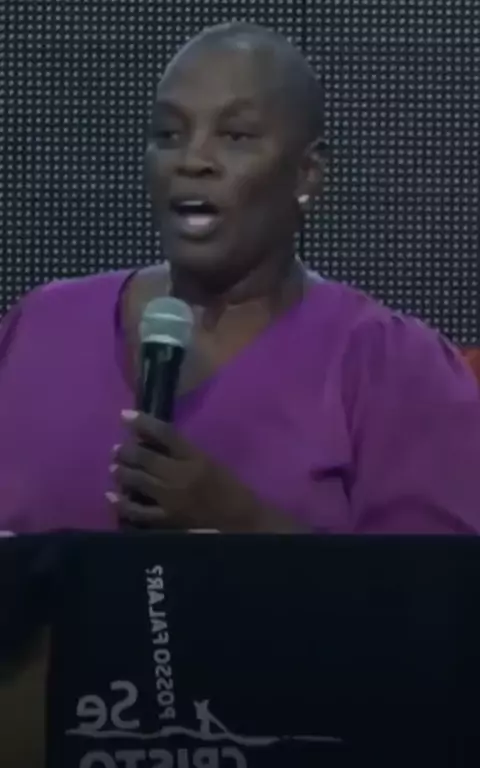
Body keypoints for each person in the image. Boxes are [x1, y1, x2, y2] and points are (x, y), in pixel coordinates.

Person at [1, 20, 480, 539]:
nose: (193, 161)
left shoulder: (392, 365)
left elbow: (432, 586)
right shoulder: (41, 326)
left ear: (307, 174)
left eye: (236, 136)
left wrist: (242, 525)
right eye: (169, 134)